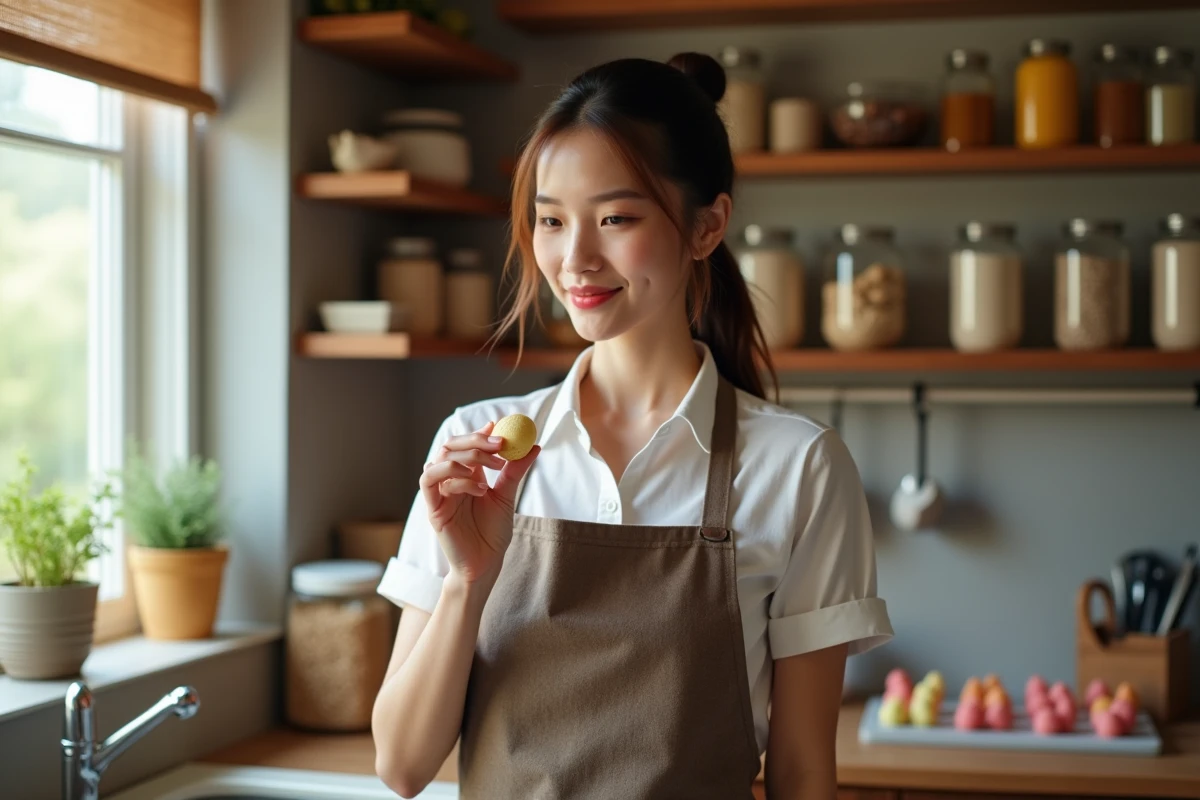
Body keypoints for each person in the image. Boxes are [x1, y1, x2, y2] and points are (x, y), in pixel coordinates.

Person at [371, 52, 893, 800]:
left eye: (615, 218)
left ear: (707, 225)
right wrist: (467, 580)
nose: (574, 258)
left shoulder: (799, 466)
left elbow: (804, 773)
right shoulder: (478, 446)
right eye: (551, 220)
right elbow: (401, 766)